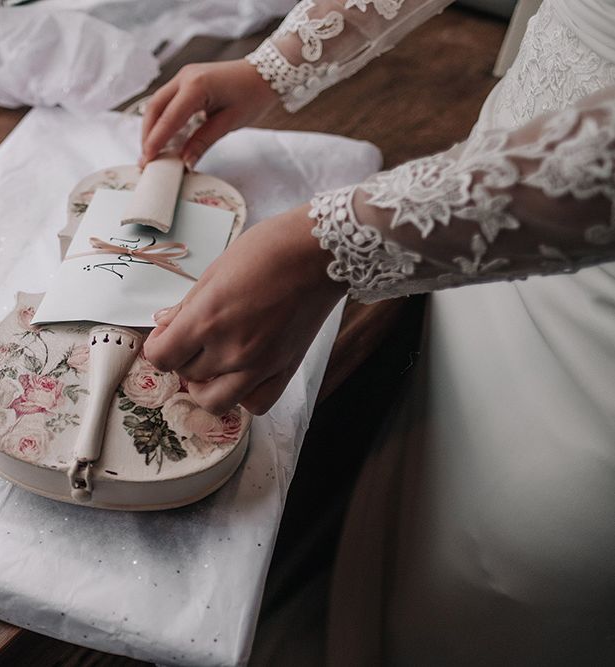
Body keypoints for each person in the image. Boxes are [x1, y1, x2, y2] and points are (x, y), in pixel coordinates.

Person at [142, 0, 615, 663]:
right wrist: (271, 67)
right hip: (474, 220)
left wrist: (331, 243)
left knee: (508, 582)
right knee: (425, 529)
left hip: (592, 323)